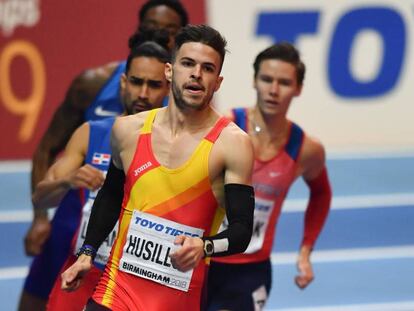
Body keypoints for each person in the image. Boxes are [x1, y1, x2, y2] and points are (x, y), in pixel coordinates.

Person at [61, 24, 255, 311]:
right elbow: (111, 196)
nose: (196, 74)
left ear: (218, 82)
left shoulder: (232, 144)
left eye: (208, 68)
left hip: (176, 303)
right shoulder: (128, 131)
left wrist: (204, 247)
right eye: (187, 63)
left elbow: (242, 231)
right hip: (115, 293)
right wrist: (87, 252)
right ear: (169, 71)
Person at [19, 1, 188, 310]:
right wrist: (63, 186)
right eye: (136, 82)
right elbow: (42, 180)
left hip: (135, 275)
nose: (142, 94)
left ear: (168, 86)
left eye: (153, 85)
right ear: (125, 80)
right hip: (76, 246)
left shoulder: (184, 135)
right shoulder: (93, 125)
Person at [207, 42, 332, 311]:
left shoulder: (306, 149)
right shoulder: (223, 128)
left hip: (250, 271)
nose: (273, 90)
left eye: (284, 82)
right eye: (266, 79)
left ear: (298, 89)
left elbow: (322, 193)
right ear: (254, 81)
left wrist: (305, 251)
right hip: (202, 259)